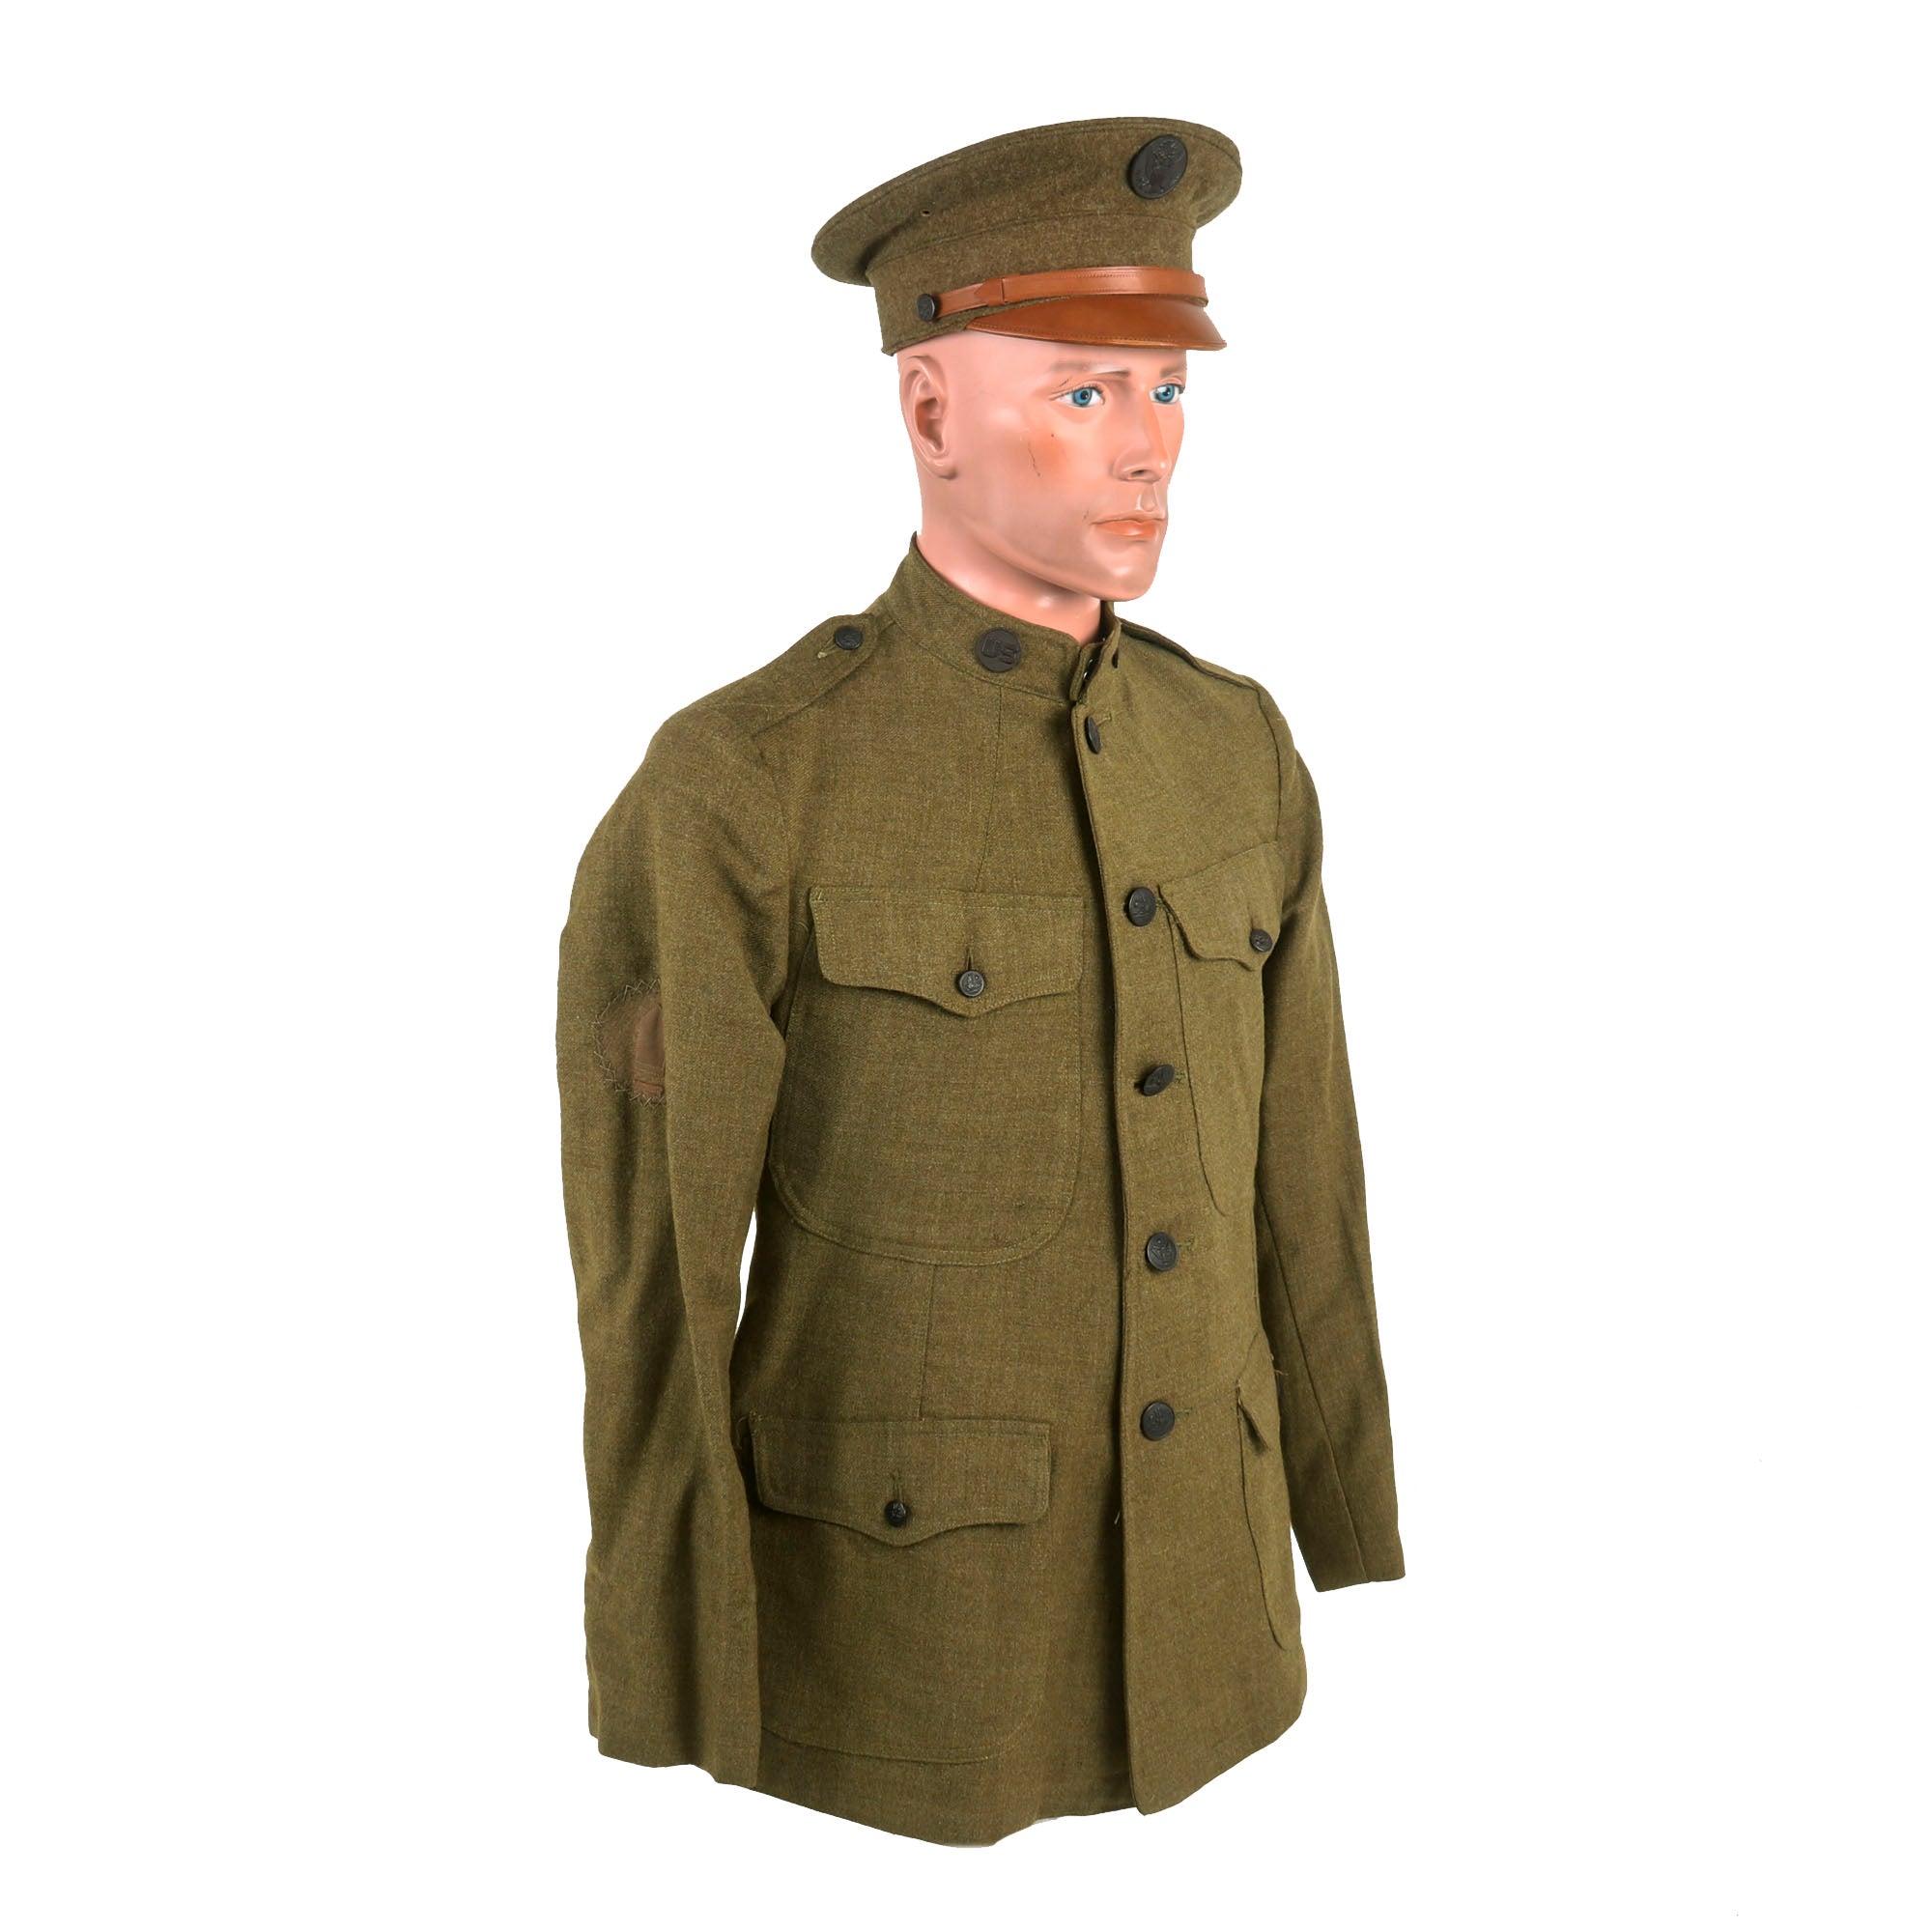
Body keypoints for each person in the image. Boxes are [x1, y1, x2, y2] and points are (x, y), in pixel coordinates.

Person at [555, 116, 1405, 1847]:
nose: (1149, 444)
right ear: (930, 412)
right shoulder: (746, 783)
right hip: (900, 1650)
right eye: (1084, 389)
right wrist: (667, 1666)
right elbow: (653, 1271)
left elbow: (1304, 1179)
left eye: (1168, 388)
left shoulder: (1235, 747)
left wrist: (1343, 1516)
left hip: (1221, 1629)